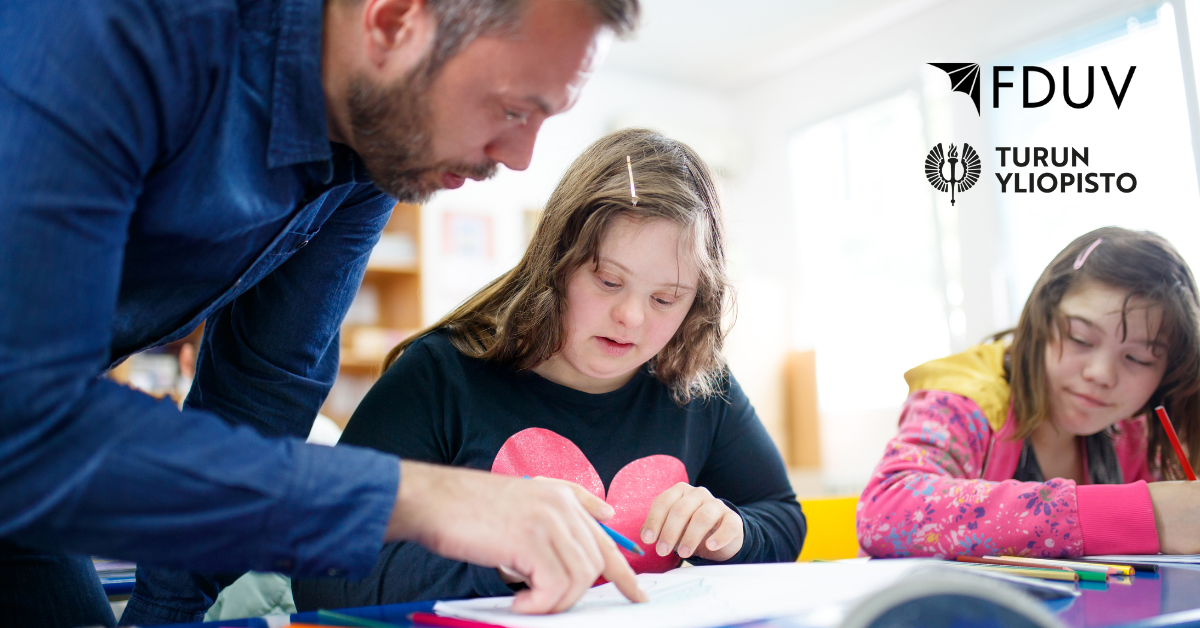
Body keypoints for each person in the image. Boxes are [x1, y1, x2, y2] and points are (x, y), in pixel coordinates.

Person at [0, 0, 647, 625]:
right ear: (394, 21)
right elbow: (30, 416)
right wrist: (428, 499)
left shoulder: (377, 147)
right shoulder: (117, 25)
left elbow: (265, 385)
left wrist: (165, 615)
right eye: (513, 109)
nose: (519, 157)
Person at [293, 128, 807, 610]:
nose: (631, 317)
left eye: (666, 298)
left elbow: (783, 518)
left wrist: (733, 530)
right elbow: (321, 572)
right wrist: (502, 555)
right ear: (556, 263)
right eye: (608, 281)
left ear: (696, 301)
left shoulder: (696, 385)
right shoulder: (440, 375)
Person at [858, 227, 1200, 559]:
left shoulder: (1135, 429)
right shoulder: (965, 398)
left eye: (1138, 358)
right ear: (1041, 319)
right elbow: (885, 512)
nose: (1100, 374)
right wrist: (1141, 513)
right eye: (1080, 338)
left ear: (1169, 373)